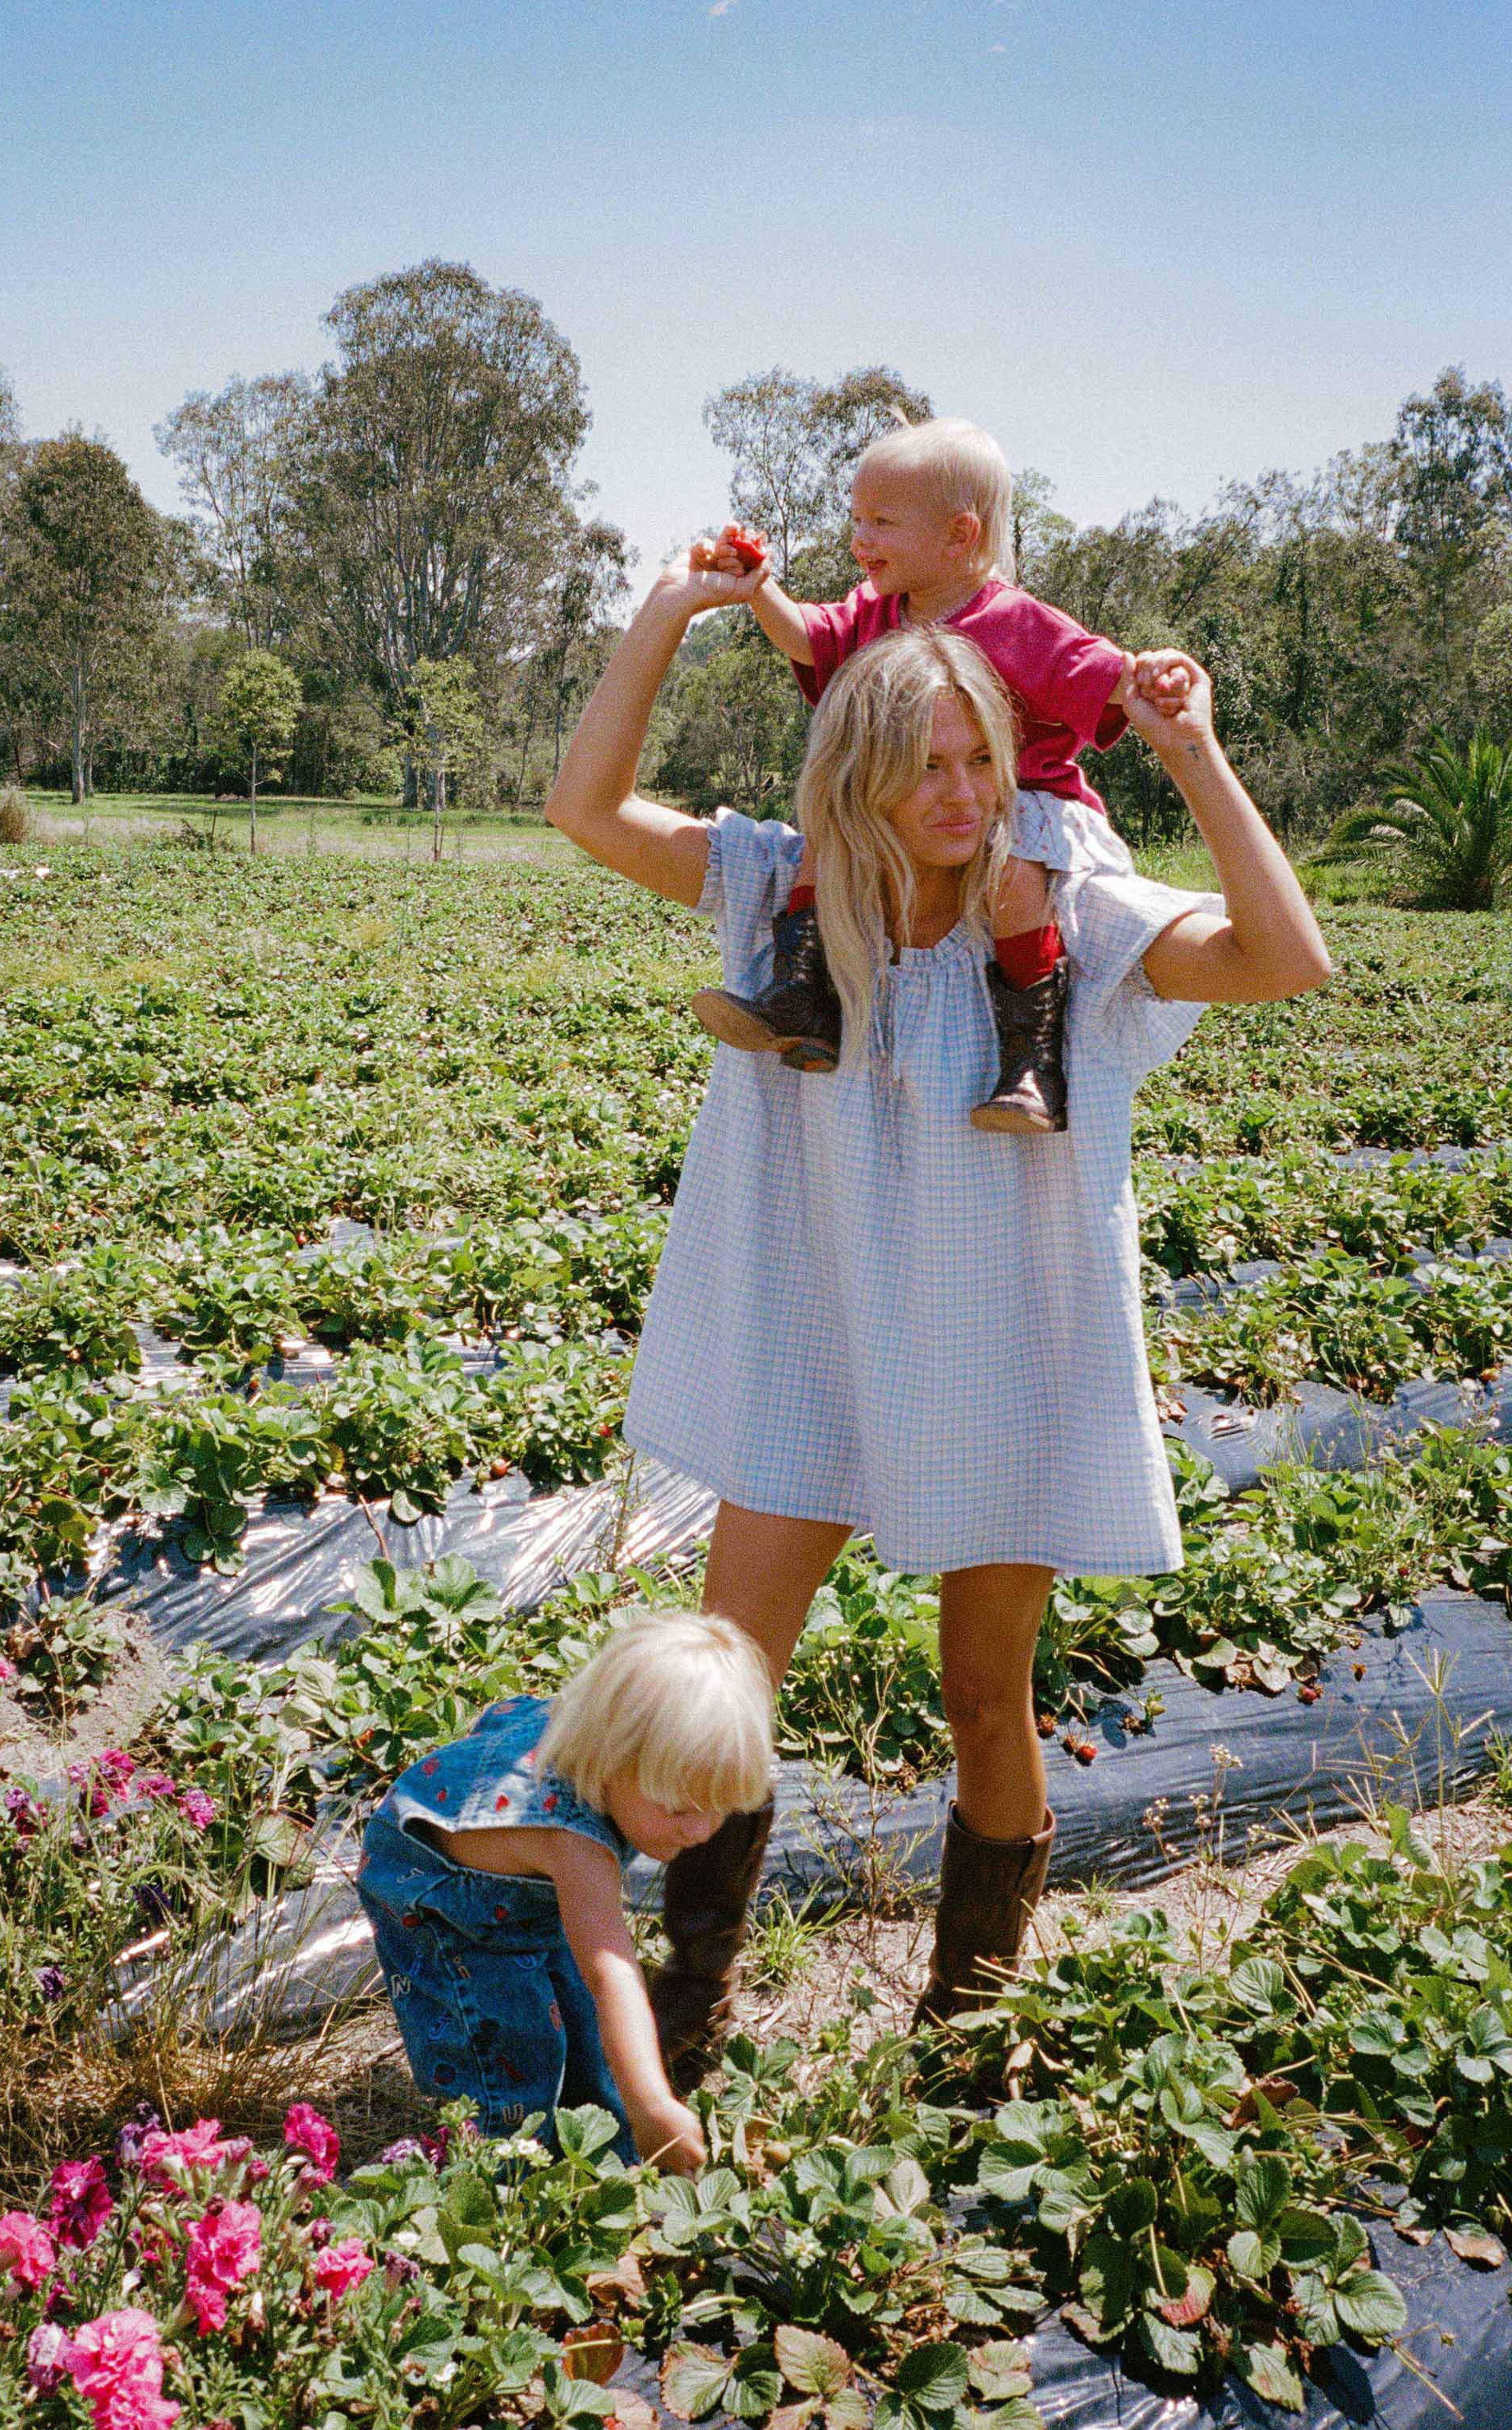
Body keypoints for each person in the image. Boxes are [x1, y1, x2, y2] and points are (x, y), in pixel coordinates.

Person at [545, 550, 1330, 2079]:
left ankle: (968, 2025)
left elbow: (1283, 958)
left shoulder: (1074, 913)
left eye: (979, 753)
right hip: (812, 1351)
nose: (961, 789)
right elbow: (586, 808)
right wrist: (665, 612)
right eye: (924, 763)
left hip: (998, 1360)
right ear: (859, 773)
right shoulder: (782, 890)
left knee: (985, 1696)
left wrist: (1195, 755)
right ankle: (692, 2015)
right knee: (723, 1682)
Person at [689, 416, 1183, 1134]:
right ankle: (805, 990)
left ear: (959, 536)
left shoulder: (1017, 622)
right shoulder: (874, 611)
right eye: (857, 519)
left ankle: (1031, 1058)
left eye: (882, 522)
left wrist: (1149, 676)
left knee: (1013, 876)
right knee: (829, 826)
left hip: (1016, 806)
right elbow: (809, 636)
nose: (860, 541)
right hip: (905, 803)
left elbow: (1098, 673)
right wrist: (759, 590)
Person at [354, 1607, 774, 2171]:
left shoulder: (594, 1732)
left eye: (719, 1809)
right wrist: (652, 2102)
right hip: (439, 1903)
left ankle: (603, 2148)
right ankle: (505, 2180)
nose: (700, 1831)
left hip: (515, 1884)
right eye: (679, 1808)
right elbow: (614, 1976)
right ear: (612, 1761)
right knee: (506, 2043)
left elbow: (500, 1717)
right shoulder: (573, 1845)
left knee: (580, 2022)